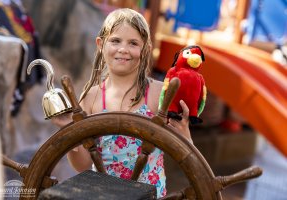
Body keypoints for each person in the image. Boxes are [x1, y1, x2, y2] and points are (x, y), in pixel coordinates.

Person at [52, 8, 192, 198]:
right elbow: (82, 165)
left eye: (133, 43)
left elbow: (188, 156)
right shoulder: (91, 98)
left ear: (145, 49)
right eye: (115, 41)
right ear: (100, 44)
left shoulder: (158, 94)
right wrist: (71, 136)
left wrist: (184, 133)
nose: (123, 49)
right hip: (103, 195)